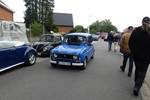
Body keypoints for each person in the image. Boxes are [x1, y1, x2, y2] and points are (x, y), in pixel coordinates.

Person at [129, 16, 150, 96]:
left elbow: (130, 42)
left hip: (136, 55)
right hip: (147, 56)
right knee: (143, 71)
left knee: (137, 68)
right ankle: (137, 87)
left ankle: (135, 82)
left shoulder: (136, 31)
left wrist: (133, 51)